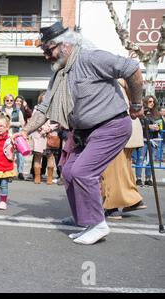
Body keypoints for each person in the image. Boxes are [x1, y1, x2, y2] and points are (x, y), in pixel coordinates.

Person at [15, 22, 143, 245]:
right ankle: (83, 220)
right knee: (69, 171)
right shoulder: (58, 75)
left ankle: (98, 224)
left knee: (83, 172)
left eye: (49, 50)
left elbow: (132, 68)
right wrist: (24, 131)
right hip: (84, 132)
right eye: (44, 52)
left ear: (65, 45)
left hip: (111, 125)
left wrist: (137, 103)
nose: (47, 56)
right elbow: (44, 109)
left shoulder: (91, 58)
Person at [102, 79, 147, 219]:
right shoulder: (123, 82)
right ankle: (132, 200)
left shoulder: (110, 82)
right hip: (129, 129)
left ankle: (113, 206)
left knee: (111, 171)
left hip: (117, 130)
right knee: (123, 169)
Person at [133, 96, 160, 186]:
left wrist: (158, 128)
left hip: (153, 140)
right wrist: (148, 127)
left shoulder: (156, 114)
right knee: (140, 159)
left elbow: (160, 125)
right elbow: (138, 125)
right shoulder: (141, 112)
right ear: (145, 102)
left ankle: (148, 178)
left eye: (153, 102)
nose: (152, 103)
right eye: (150, 101)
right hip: (143, 139)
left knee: (151, 160)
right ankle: (138, 178)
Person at [0, 94, 25, 180]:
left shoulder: (18, 111)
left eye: (11, 100)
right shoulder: (0, 110)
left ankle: (20, 172)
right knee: (8, 154)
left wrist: (10, 123)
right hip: (4, 135)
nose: (9, 102)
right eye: (7, 100)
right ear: (4, 101)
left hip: (15, 135)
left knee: (19, 155)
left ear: (13, 101)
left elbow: (22, 123)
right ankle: (8, 172)